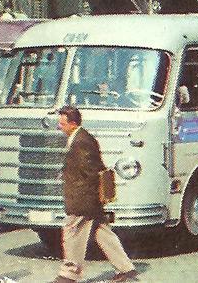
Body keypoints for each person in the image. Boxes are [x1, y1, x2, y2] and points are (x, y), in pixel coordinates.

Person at [54, 106, 137, 283]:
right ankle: (125, 268)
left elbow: (92, 172)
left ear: (73, 123)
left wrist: (89, 201)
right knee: (102, 232)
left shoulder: (81, 141)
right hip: (87, 197)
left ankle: (69, 274)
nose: (59, 126)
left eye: (62, 123)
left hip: (83, 199)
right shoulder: (79, 138)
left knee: (72, 231)